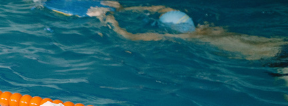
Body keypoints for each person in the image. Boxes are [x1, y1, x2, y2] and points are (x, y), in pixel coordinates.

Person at [87, 1, 286, 62]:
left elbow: (129, 36)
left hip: (275, 61)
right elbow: (163, 9)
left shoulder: (186, 38)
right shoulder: (207, 28)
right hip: (278, 45)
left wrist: (108, 18)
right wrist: (122, 8)